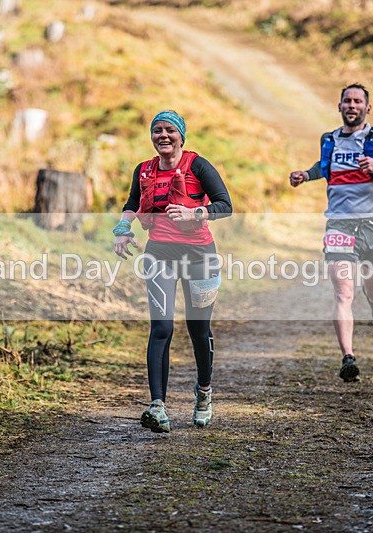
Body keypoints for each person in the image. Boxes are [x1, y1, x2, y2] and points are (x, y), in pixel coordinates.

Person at [113, 110, 232, 432]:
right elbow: (133, 202)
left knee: (198, 329)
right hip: (159, 254)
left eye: (169, 131)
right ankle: (157, 406)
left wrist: (195, 213)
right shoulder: (144, 169)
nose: (163, 136)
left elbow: (225, 205)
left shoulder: (198, 165)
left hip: (199, 255)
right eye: (157, 131)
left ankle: (204, 393)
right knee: (162, 327)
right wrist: (123, 228)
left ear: (181, 135)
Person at [289, 83, 373, 382]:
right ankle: (348, 357)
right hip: (339, 223)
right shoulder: (329, 139)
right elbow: (325, 166)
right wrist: (306, 175)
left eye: (358, 101)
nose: (352, 106)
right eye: (347, 101)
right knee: (343, 291)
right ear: (340, 106)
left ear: (367, 108)